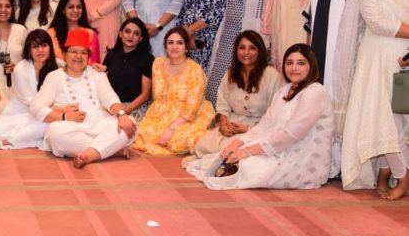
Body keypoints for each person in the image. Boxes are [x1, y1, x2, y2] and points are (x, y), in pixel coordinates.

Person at [186, 44, 334, 190]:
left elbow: (291, 135)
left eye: (301, 63)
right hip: (277, 146)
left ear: (311, 66)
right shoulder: (285, 90)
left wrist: (248, 151)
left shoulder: (315, 92)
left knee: (246, 165)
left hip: (300, 157)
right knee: (226, 156)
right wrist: (237, 143)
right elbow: (265, 125)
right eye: (289, 63)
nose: (294, 68)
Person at [304, 0, 378, 178]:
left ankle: (347, 165)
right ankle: (321, 162)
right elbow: (310, 20)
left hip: (351, 52)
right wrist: (307, 58)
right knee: (320, 101)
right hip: (320, 50)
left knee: (347, 101)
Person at [341, 0, 409, 199]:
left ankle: (384, 174)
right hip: (379, 57)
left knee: (402, 117)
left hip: (406, 56)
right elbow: (378, 23)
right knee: (384, 117)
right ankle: (403, 178)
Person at [30, 29, 136, 168]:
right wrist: (64, 116)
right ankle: (109, 150)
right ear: (64, 54)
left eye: (84, 52)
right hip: (71, 127)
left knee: (130, 124)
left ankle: (89, 155)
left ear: (89, 57)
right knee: (56, 135)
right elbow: (35, 106)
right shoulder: (54, 76)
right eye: (74, 51)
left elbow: (109, 97)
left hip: (100, 123)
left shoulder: (97, 74)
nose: (78, 56)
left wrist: (121, 115)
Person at [188, 31, 283, 164]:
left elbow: (276, 112)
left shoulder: (272, 75)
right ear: (236, 51)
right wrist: (223, 124)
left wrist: (248, 129)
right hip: (232, 123)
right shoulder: (230, 73)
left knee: (228, 150)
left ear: (260, 51)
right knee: (202, 145)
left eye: (252, 48)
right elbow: (223, 103)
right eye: (242, 48)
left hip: (259, 126)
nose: (246, 52)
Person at [205, 0, 274, 105]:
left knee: (243, 81)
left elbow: (270, 14)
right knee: (217, 81)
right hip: (227, 37)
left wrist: (265, 44)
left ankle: (236, 116)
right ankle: (215, 113)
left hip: (250, 41)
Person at [133, 27, 215, 155]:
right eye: (170, 42)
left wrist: (171, 129)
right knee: (143, 136)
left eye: (179, 43)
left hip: (189, 115)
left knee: (181, 141)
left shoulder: (195, 70)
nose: (174, 47)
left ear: (186, 47)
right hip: (160, 113)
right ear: (165, 47)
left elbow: (191, 107)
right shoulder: (157, 64)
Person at [0, 30, 60, 150]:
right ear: (29, 50)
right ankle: (7, 142)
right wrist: (58, 110)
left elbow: (71, 66)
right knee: (46, 122)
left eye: (44, 45)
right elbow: (32, 104)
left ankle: (5, 143)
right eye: (35, 47)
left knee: (51, 122)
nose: (40, 50)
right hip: (20, 116)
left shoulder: (56, 67)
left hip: (43, 114)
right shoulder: (21, 68)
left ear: (50, 48)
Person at [100, 18, 153, 121]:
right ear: (120, 34)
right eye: (127, 31)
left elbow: (145, 95)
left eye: (136, 33)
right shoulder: (111, 55)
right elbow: (103, 85)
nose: (131, 36)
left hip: (134, 107)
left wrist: (123, 112)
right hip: (112, 105)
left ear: (141, 38)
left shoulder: (147, 59)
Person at [47, 0, 100, 64]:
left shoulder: (90, 34)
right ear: (63, 10)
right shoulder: (50, 33)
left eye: (79, 7)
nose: (75, 10)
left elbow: (95, 65)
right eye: (71, 7)